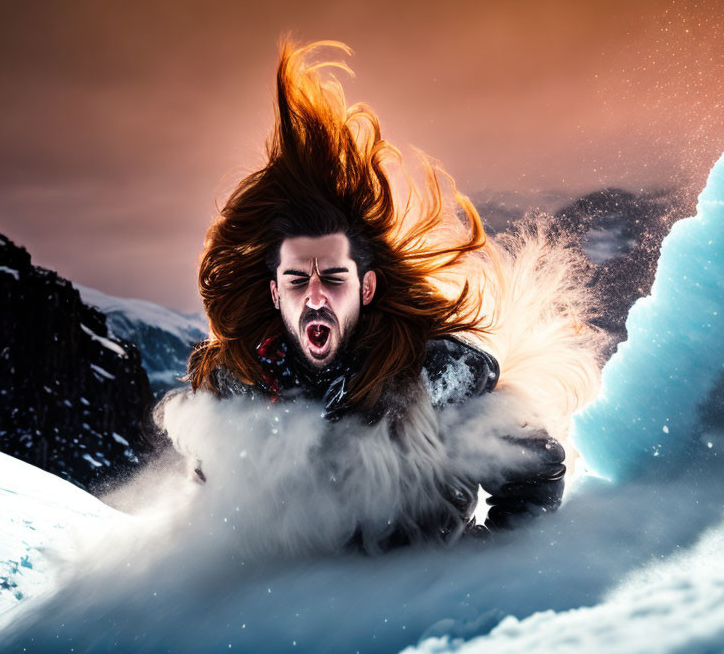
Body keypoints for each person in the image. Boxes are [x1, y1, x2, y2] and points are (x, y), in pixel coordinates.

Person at [164, 38, 583, 553]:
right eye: (297, 281)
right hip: (293, 615)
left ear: (367, 286)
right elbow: (214, 505)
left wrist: (476, 584)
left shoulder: (436, 373)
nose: (315, 295)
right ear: (274, 293)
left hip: (423, 607)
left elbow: (534, 481)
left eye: (334, 279)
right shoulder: (235, 382)